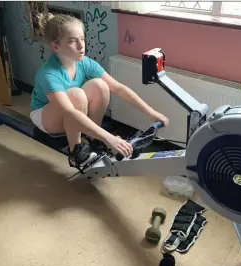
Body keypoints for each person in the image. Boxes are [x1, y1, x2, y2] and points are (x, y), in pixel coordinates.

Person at [29, 13, 169, 169]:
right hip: (46, 116)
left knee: (100, 85)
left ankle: (92, 138)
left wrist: (150, 112)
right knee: (76, 94)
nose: (81, 46)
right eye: (72, 41)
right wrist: (109, 139)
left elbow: (118, 88)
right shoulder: (49, 73)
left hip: (71, 109)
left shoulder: (84, 62)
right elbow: (69, 112)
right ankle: (76, 150)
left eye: (82, 39)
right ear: (56, 46)